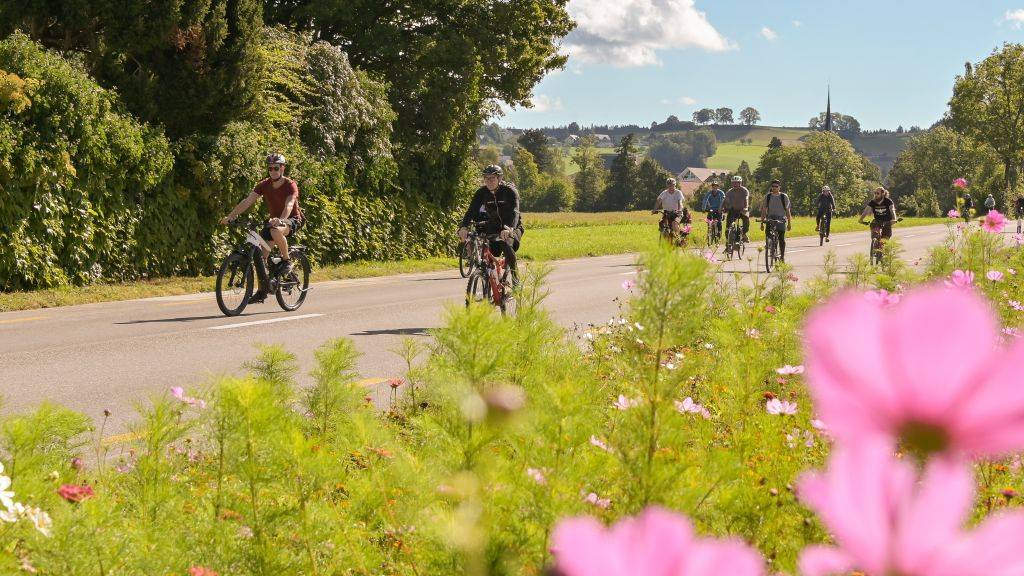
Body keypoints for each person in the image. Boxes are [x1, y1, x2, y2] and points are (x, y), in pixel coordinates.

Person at [220, 153, 304, 304]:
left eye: (276, 168)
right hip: (272, 221)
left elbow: (289, 204)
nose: (273, 171)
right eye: (270, 168)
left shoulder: (290, 184)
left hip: (291, 219)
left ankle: (286, 261)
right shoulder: (264, 184)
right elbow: (247, 201)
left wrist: (282, 220)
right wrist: (230, 216)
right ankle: (262, 290)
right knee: (261, 256)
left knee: (275, 231)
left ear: (283, 168)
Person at [458, 165, 523, 284]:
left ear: (500, 178)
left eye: (492, 178)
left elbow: (515, 211)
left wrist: (509, 229)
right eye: (486, 178)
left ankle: (515, 279)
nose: (489, 181)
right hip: (494, 225)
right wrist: (464, 227)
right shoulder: (482, 192)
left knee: (507, 245)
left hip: (512, 226)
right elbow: (471, 211)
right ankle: (489, 280)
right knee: (488, 251)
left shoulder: (509, 191)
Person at [760, 180, 793, 262]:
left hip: (781, 219)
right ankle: (770, 244)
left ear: (779, 187)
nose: (774, 188)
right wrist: (762, 222)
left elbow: (788, 210)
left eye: (776, 186)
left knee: (781, 238)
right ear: (771, 187)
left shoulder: (784, 196)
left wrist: (789, 223)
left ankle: (782, 256)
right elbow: (764, 210)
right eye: (773, 186)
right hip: (770, 218)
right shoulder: (768, 196)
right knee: (768, 234)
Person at [723, 175, 750, 242]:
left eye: (736, 182)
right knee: (728, 227)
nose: (734, 184)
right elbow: (725, 200)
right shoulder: (730, 191)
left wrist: (746, 207)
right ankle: (728, 245)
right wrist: (722, 208)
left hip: (742, 209)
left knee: (746, 220)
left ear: (740, 183)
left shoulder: (744, 190)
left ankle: (743, 234)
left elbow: (746, 199)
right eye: (733, 183)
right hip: (733, 210)